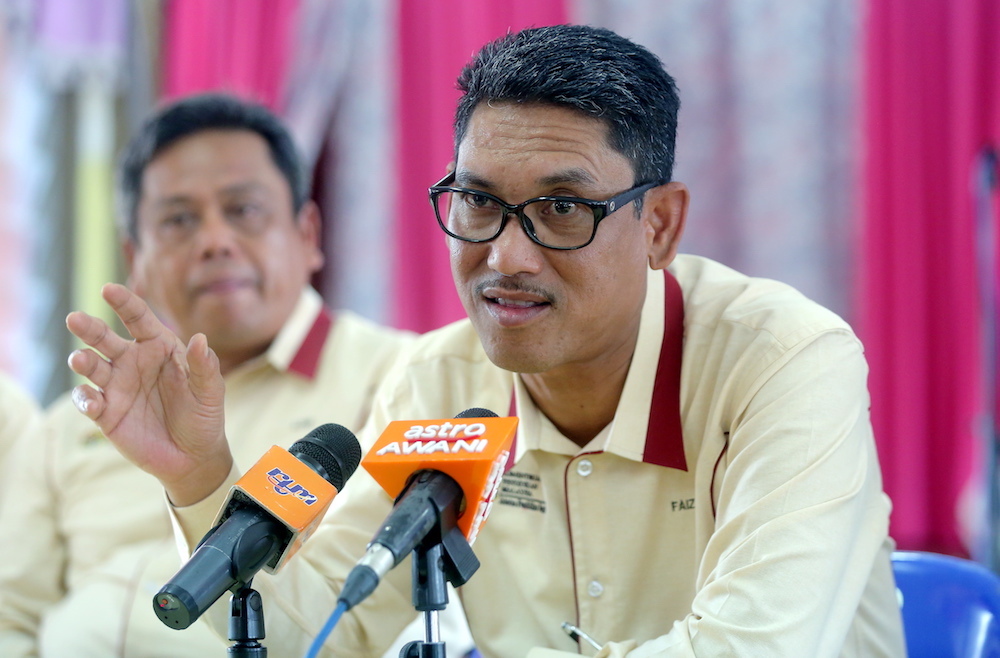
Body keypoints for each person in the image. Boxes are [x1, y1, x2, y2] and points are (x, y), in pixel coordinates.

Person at [64, 26, 907, 657]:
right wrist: (202, 478)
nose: (504, 257)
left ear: (658, 224)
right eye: (477, 203)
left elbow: (752, 648)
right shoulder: (438, 380)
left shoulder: (784, 362)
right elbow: (328, 632)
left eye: (563, 209)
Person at [0, 93, 418, 657]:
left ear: (308, 234)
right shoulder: (76, 420)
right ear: (135, 258)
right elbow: (11, 616)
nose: (214, 241)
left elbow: (365, 631)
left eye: (243, 210)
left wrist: (203, 477)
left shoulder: (402, 382)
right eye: (178, 220)